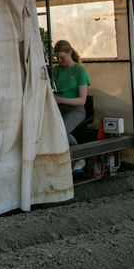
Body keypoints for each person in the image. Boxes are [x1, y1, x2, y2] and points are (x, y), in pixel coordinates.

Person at [53, 39, 90, 172]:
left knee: (61, 131)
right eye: (57, 58)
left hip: (76, 110)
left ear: (70, 52)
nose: (59, 60)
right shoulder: (57, 70)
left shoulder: (80, 71)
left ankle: (79, 158)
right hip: (58, 108)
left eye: (62, 57)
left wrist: (61, 100)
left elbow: (82, 100)